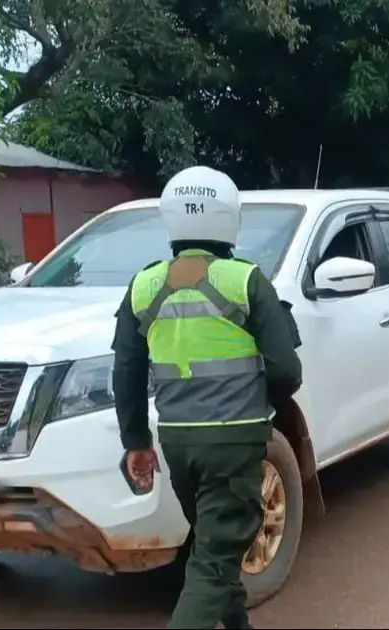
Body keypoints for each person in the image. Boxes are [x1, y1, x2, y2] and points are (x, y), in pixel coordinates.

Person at [111, 165, 304, 629]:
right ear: (228, 218)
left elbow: (127, 371)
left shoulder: (144, 285)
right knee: (216, 558)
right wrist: (260, 410)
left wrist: (136, 440)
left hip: (178, 441)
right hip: (233, 442)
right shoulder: (245, 281)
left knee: (214, 544)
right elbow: (287, 371)